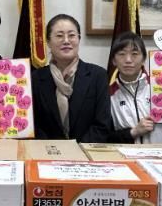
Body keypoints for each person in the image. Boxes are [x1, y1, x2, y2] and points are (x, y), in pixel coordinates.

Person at [32, 14, 111, 142]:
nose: (66, 41)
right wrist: (54, 149)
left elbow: (102, 124)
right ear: (48, 42)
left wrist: (77, 149)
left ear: (79, 39)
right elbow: (34, 126)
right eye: (59, 36)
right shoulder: (35, 78)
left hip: (86, 151)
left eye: (71, 35)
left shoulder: (98, 76)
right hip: (48, 151)